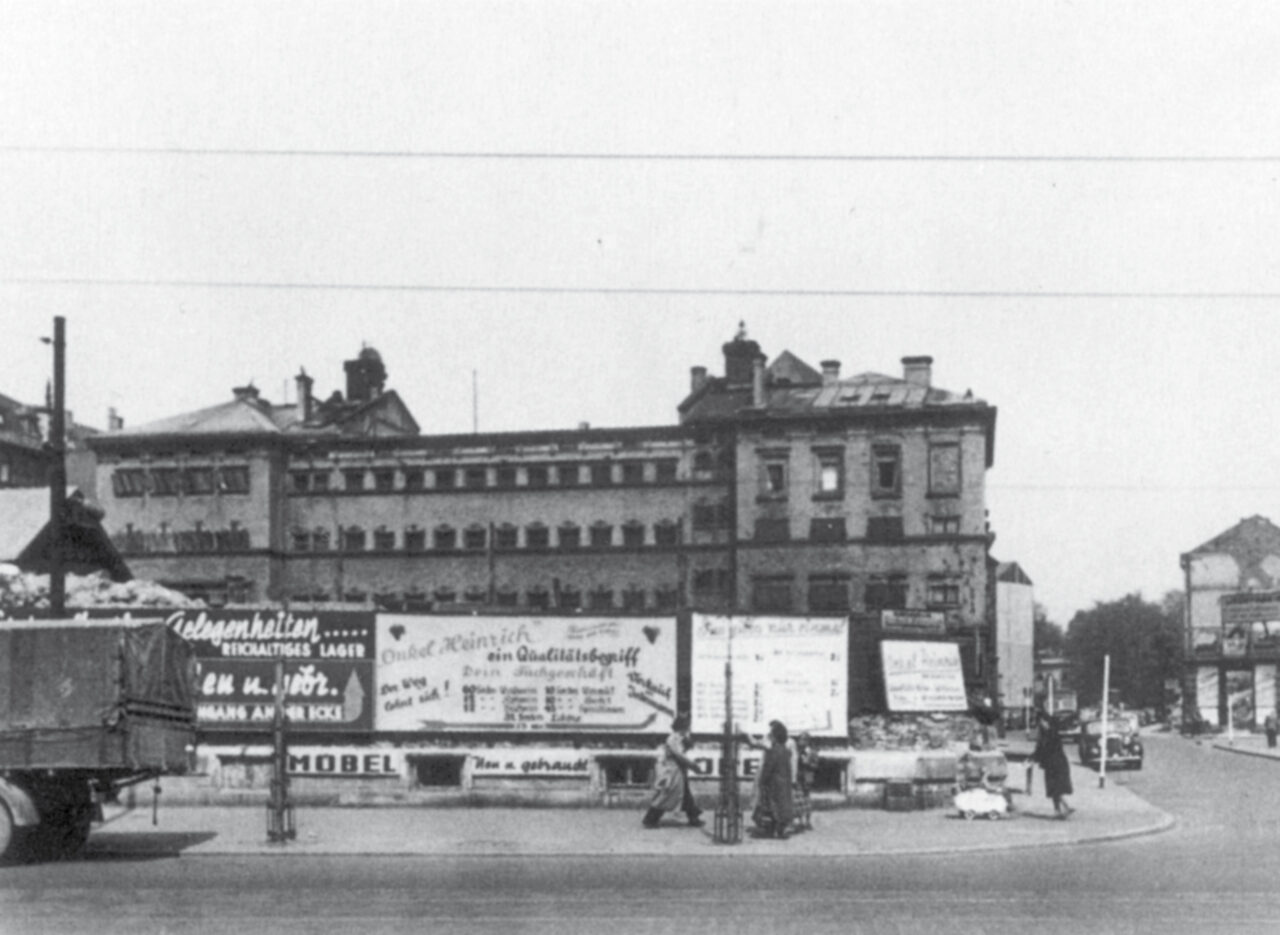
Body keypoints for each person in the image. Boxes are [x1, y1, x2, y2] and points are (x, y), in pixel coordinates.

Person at [641, 714, 704, 829]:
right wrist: (692, 765)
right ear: (682, 726)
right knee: (667, 794)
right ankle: (650, 819)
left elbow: (686, 749)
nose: (688, 728)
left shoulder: (681, 737)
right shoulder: (673, 738)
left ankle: (693, 817)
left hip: (680, 769)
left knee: (686, 794)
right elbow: (679, 755)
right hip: (673, 769)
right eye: (687, 725)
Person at [750, 720, 796, 839]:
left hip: (774, 784)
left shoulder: (773, 751)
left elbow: (768, 768)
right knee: (782, 807)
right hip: (784, 782)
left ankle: (772, 829)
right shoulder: (785, 751)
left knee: (771, 807)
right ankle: (780, 829)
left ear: (775, 737)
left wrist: (762, 781)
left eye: (772, 735)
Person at [1030, 710, 1074, 819]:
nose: (1041, 724)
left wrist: (1035, 757)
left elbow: (1043, 749)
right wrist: (1032, 758)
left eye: (1042, 722)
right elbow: (1039, 749)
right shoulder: (1046, 734)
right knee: (1055, 789)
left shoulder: (1052, 733)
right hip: (1052, 765)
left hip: (1057, 764)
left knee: (1056, 788)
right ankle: (1063, 808)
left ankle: (1059, 810)